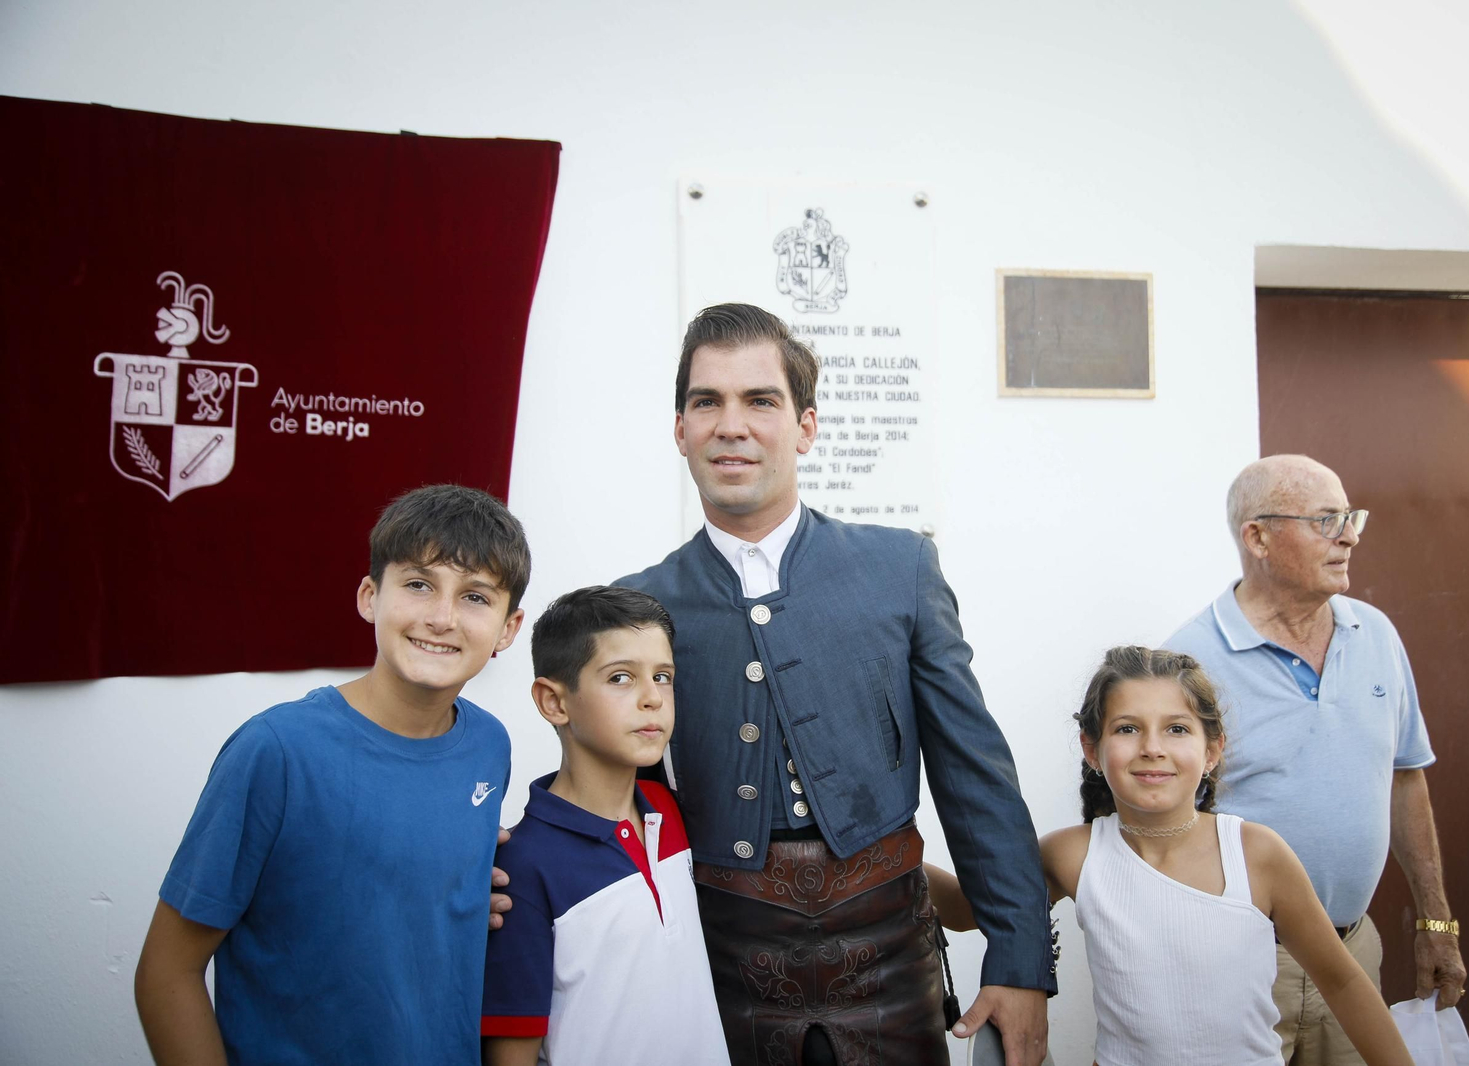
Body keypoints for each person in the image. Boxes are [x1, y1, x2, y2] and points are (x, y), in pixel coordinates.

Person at [611, 303, 1055, 1066]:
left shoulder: (900, 569)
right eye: (706, 402)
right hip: (718, 964)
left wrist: (1020, 962)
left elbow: (974, 774)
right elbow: (617, 790)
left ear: (806, 427)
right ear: (680, 429)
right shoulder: (636, 604)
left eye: (760, 400)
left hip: (890, 956)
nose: (731, 424)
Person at [133, 484, 529, 1066]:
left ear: (508, 629)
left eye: (475, 597)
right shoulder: (276, 751)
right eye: (418, 584)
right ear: (371, 595)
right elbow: (167, 973)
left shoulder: (489, 745)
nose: (441, 617)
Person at [927, 646, 1415, 1066]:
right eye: (1128, 729)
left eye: (1177, 729)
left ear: (1212, 750)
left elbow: (1344, 984)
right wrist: (887, 854)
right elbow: (965, 908)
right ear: (1092, 750)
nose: (1153, 748)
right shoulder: (1074, 854)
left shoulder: (1256, 854)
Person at [1165, 454, 1465, 1064]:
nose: (1350, 535)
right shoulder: (1187, 661)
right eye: (1327, 521)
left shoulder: (1375, 634)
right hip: (1238, 961)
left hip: (1353, 951)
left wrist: (1437, 922)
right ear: (1259, 537)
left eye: (1351, 517)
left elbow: (1405, 780)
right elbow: (1158, 821)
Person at [481, 586, 729, 1065]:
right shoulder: (521, 866)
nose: (652, 698)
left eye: (663, 676)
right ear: (554, 702)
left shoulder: (670, 811)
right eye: (620, 678)